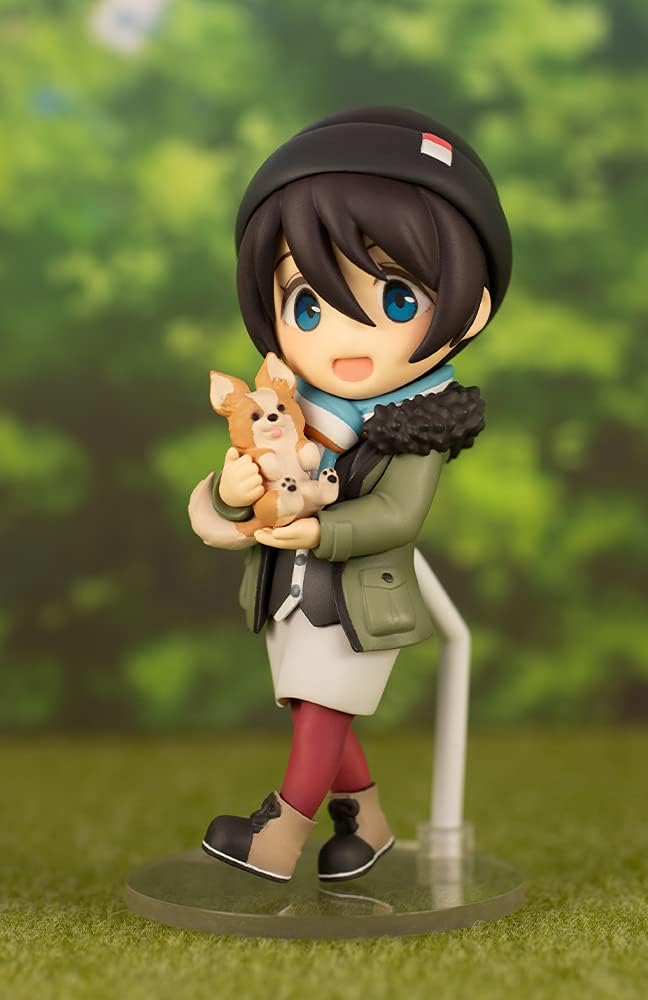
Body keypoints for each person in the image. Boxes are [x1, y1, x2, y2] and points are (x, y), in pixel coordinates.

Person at [189, 106, 512, 883]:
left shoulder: (420, 423)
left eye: (396, 298)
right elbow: (248, 489)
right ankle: (366, 827)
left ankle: (277, 835)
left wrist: (318, 533)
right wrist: (231, 489)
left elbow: (397, 516)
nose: (342, 338)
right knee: (314, 707)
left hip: (358, 595)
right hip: (286, 589)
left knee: (322, 710)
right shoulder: (286, 408)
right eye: (307, 303)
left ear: (468, 305)